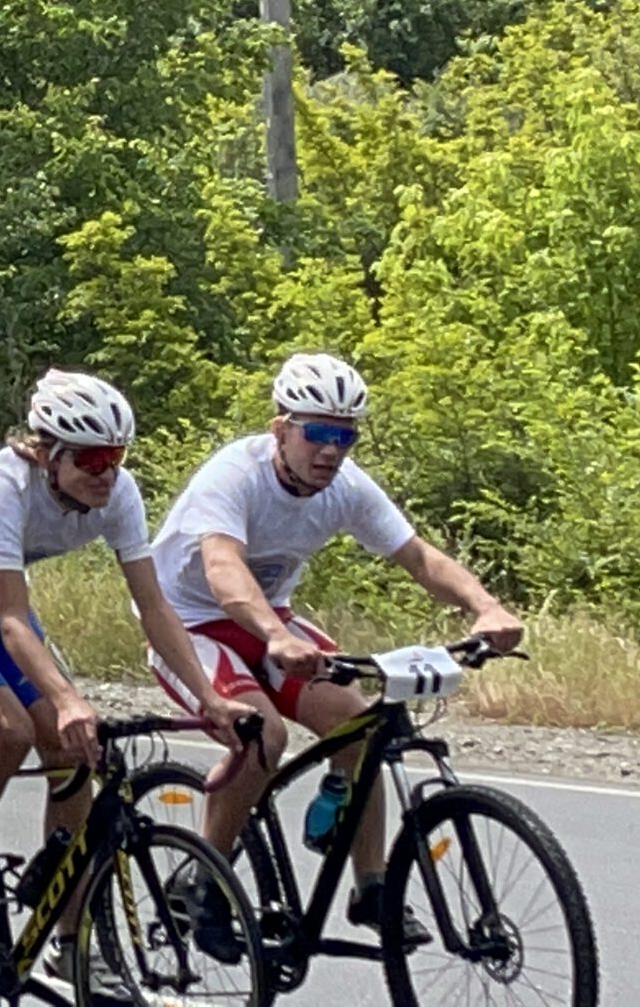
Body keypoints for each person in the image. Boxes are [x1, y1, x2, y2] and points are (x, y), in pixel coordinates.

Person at [148, 352, 525, 947]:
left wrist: (486, 606)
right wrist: (275, 636)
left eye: (344, 436)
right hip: (190, 620)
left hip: (271, 620)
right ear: (280, 428)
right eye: (317, 432)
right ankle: (205, 879)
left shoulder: (345, 486)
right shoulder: (234, 475)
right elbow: (222, 567)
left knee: (363, 726)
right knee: (260, 734)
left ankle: (371, 887)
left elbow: (419, 557)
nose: (330, 450)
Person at [0, 369, 255, 976]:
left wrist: (209, 696)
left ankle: (69, 942)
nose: (106, 474)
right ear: (44, 453)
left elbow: (154, 605)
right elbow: (12, 621)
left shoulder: (120, 494)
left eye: (116, 458)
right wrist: (67, 698)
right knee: (7, 731)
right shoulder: (0, 491)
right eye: (90, 460)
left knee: (74, 750)